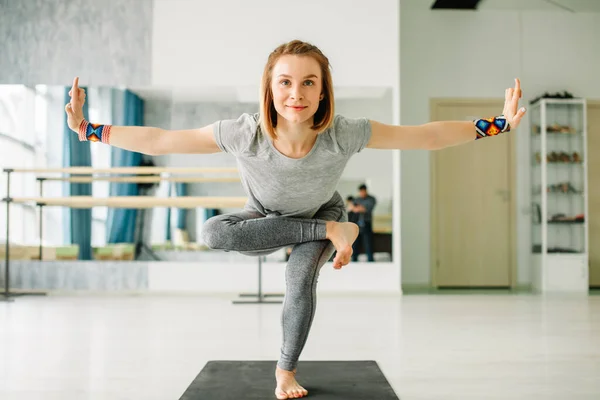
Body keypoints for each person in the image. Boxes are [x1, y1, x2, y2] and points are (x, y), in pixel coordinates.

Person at [65, 40, 526, 399]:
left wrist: (496, 124)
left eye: (309, 82)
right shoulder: (244, 133)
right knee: (212, 232)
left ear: (323, 89)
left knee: (299, 276)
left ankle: (285, 368)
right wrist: (92, 130)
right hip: (267, 217)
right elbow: (164, 140)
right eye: (285, 82)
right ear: (269, 87)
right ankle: (332, 233)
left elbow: (423, 136)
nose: (296, 93)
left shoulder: (343, 133)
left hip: (322, 213)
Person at [350, 184, 377, 262]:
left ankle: (370, 260)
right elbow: (351, 208)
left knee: (368, 243)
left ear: (366, 191)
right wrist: (357, 208)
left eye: (363, 191)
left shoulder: (371, 199)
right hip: (357, 223)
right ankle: (354, 259)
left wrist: (358, 208)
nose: (362, 193)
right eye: (361, 192)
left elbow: (365, 209)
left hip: (367, 223)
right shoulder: (357, 199)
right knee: (355, 243)